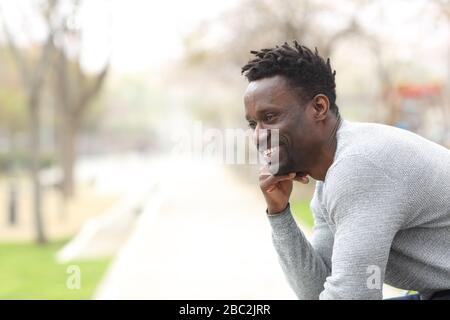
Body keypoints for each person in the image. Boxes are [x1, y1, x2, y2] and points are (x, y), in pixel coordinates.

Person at [241, 41, 450, 300]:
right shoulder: (331, 178)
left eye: (270, 118)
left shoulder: (359, 167)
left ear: (319, 107)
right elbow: (317, 289)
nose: (260, 136)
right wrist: (279, 213)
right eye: (253, 124)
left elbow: (353, 295)